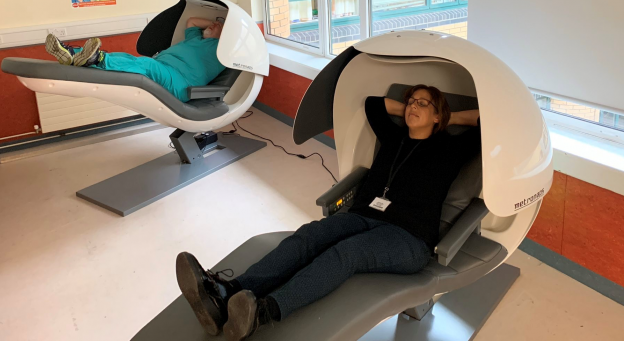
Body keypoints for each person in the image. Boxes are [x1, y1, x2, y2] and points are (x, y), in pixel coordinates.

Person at [175, 85, 481, 341]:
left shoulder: (450, 148)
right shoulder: (393, 137)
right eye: (410, 100)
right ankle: (227, 293)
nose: (413, 105)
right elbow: (373, 104)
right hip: (363, 216)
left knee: (346, 253)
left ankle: (263, 312)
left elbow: (487, 120)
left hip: (407, 238)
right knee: (310, 235)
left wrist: (446, 117)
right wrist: (416, 111)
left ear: (439, 114)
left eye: (423, 103)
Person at [44, 18, 225, 102]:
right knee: (129, 59)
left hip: (181, 82)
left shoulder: (222, 49)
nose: (213, 24)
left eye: (219, 24)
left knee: (145, 64)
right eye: (212, 22)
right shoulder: (195, 37)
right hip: (164, 66)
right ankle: (73, 55)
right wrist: (213, 26)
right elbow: (192, 21)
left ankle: (95, 58)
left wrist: (222, 30)